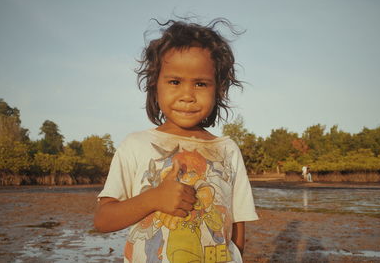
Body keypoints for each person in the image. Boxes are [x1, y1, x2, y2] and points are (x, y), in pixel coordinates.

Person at [94, 18, 258, 263]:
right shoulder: (135, 145)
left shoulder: (227, 150)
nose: (187, 96)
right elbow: (103, 220)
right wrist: (153, 198)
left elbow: (237, 224)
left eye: (201, 84)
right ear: (154, 86)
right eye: (174, 82)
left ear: (218, 90)